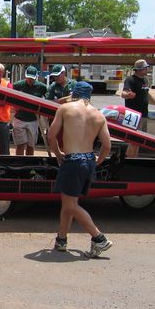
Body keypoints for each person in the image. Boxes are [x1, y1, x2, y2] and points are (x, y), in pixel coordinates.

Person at [47, 81, 113, 258]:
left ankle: (99, 237)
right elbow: (107, 145)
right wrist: (98, 161)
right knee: (69, 203)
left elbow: (51, 135)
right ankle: (61, 239)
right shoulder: (99, 115)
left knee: (70, 205)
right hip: (89, 160)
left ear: (73, 94)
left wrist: (58, 154)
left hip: (72, 160)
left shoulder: (65, 108)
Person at [120, 59, 155, 157]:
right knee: (133, 140)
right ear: (139, 69)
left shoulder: (145, 80)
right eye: (145, 68)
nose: (147, 70)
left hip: (143, 114)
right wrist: (128, 95)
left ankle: (133, 159)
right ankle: (128, 160)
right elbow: (123, 93)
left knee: (138, 141)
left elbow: (146, 94)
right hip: (133, 115)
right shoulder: (130, 80)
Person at [12, 66, 47, 156]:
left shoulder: (42, 87)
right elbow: (10, 97)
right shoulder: (17, 85)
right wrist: (14, 106)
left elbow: (46, 100)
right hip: (19, 118)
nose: (30, 80)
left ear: (36, 77)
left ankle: (29, 163)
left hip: (33, 119)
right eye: (28, 78)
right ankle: (19, 163)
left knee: (31, 145)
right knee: (20, 145)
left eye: (32, 78)